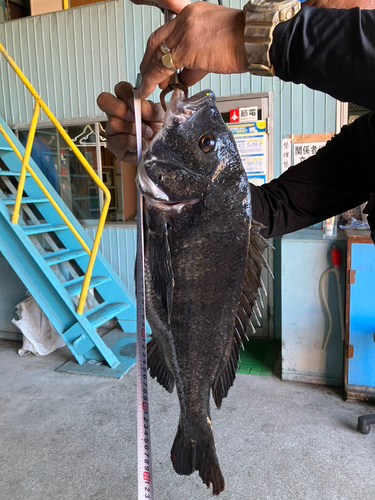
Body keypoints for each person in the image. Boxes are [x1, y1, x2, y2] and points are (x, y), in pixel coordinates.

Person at [97, 0, 375, 241]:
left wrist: (265, 36)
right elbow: (272, 210)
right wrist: (179, 161)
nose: (303, 10)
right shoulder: (369, 143)